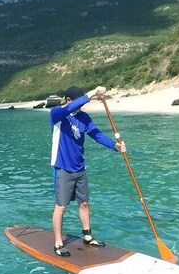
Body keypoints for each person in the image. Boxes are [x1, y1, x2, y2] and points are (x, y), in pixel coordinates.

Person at [50, 85, 126, 256]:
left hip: (80, 167)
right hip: (63, 167)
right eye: (78, 102)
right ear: (69, 100)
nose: (81, 106)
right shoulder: (57, 114)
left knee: (84, 203)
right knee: (61, 207)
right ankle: (58, 243)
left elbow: (97, 134)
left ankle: (87, 236)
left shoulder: (84, 117)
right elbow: (68, 109)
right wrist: (93, 93)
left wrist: (115, 146)